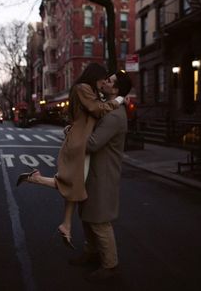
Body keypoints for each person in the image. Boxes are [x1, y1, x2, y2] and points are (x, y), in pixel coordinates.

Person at [16, 63, 125, 248]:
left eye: (108, 81)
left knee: (75, 185)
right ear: (95, 76)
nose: (103, 83)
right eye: (103, 80)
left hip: (79, 140)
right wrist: (118, 101)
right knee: (73, 184)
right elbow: (97, 109)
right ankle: (37, 180)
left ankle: (65, 224)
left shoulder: (87, 90)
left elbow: (87, 113)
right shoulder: (82, 88)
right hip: (79, 144)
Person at [70, 70, 132, 282]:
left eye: (110, 81)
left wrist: (72, 136)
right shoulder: (107, 110)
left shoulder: (114, 116)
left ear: (115, 89)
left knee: (100, 221)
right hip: (93, 173)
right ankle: (92, 253)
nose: (105, 82)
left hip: (103, 175)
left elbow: (93, 143)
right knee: (87, 217)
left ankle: (110, 265)